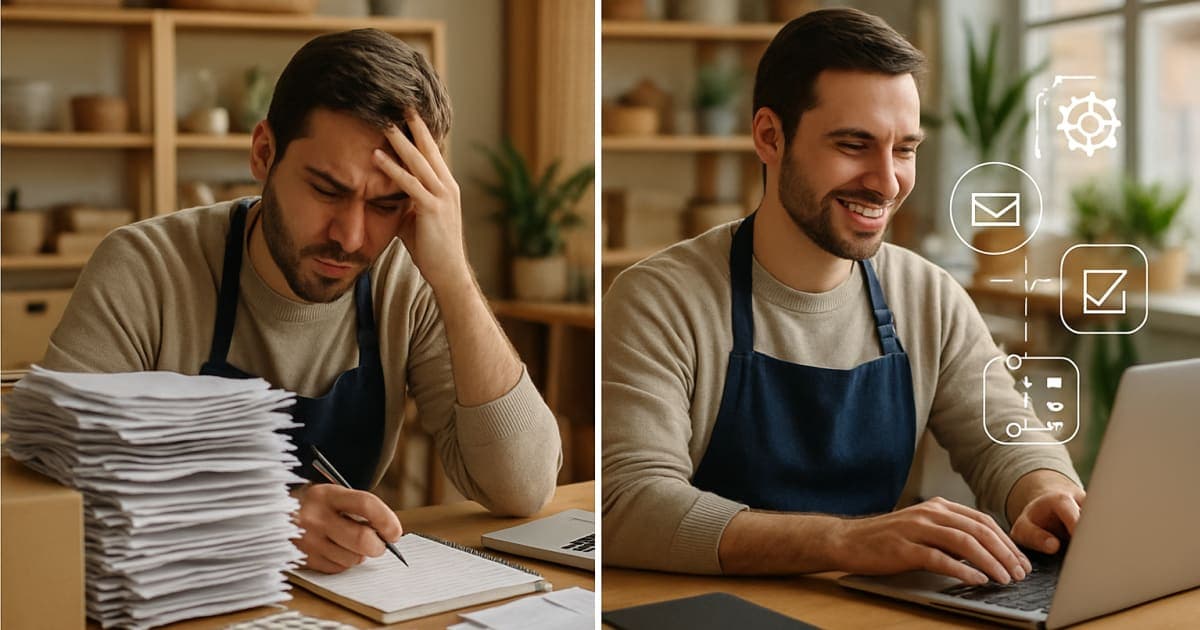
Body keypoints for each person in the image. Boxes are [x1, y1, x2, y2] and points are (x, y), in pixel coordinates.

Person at [44, 29, 561, 574]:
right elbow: (50, 483)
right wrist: (261, 518)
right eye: (326, 190)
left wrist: (453, 275)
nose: (352, 236)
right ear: (264, 152)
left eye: (386, 203)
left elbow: (522, 489)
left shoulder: (406, 279)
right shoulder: (144, 268)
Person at [602, 8, 1084, 585]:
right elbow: (626, 505)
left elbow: (1007, 439)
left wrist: (1045, 493)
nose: (886, 182)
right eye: (854, 144)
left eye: (904, 149)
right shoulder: (660, 300)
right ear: (769, 136)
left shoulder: (928, 296)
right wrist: (844, 540)